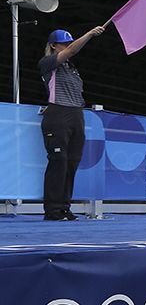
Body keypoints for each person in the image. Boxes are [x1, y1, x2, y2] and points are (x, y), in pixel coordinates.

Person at [37, 25, 104, 220]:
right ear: (53, 45)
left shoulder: (73, 70)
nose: (68, 45)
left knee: (72, 162)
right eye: (64, 43)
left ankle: (64, 207)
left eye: (69, 42)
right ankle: (52, 209)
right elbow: (73, 50)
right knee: (59, 161)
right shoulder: (48, 63)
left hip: (76, 114)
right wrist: (90, 34)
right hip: (58, 113)